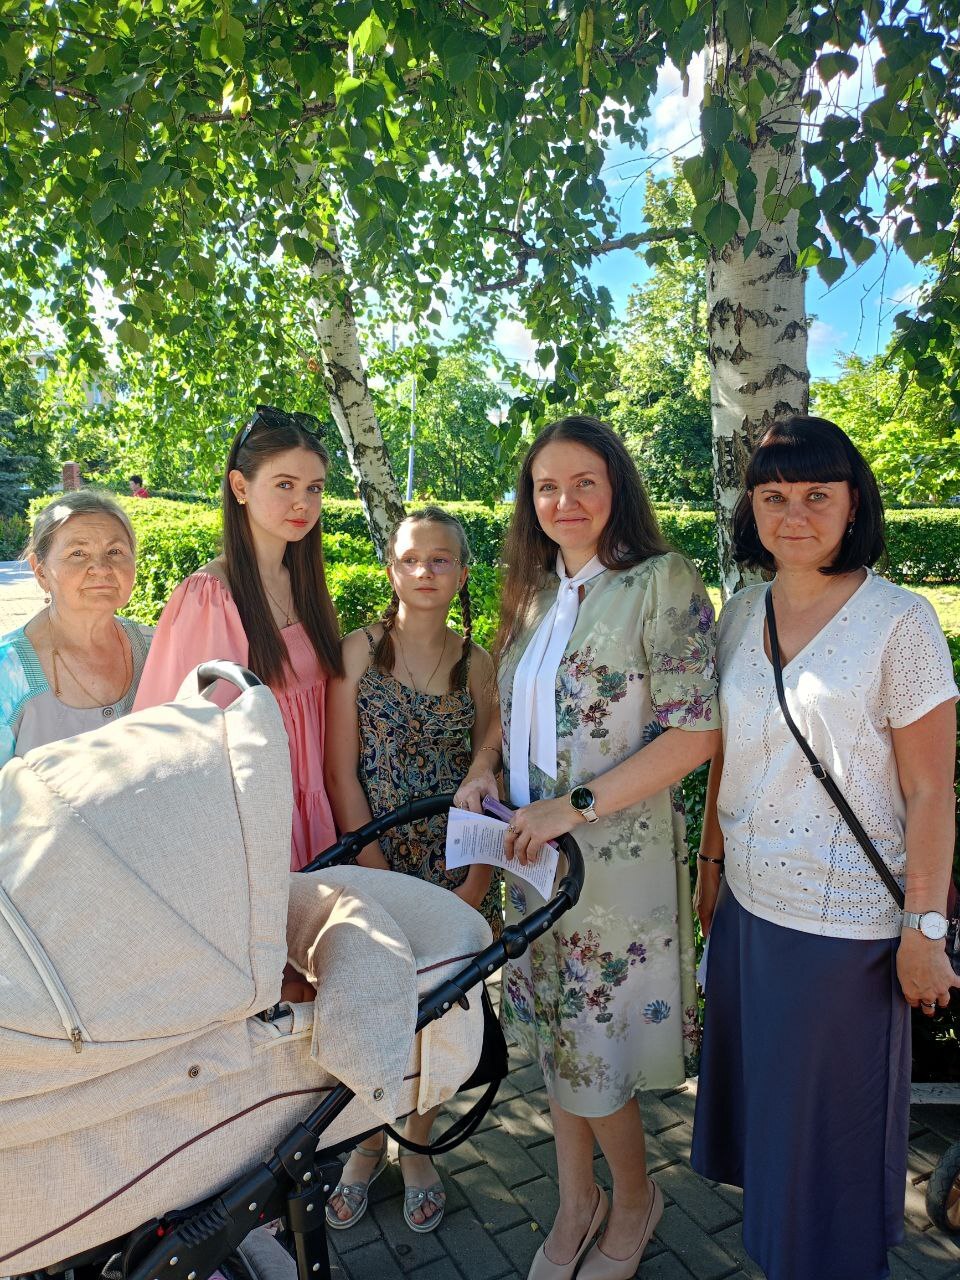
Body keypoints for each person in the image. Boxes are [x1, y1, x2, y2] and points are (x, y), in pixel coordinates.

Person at [690, 416, 960, 1280]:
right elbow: (727, 750)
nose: (794, 514)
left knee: (829, 1145)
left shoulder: (900, 622)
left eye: (816, 494)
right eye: (773, 496)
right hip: (750, 910)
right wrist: (709, 866)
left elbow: (931, 792)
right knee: (775, 1125)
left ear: (853, 504)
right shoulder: (741, 612)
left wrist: (924, 928)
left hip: (846, 930)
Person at [496, 416, 720, 1280]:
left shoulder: (660, 582)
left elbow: (696, 732)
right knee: (558, 1045)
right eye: (547, 486)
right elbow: (511, 713)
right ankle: (574, 1200)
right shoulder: (535, 594)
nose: (565, 501)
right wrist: (483, 772)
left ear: (617, 487)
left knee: (595, 1049)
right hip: (531, 862)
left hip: (612, 870)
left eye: (584, 481)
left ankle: (633, 1201)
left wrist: (574, 806)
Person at [323, 505, 503, 1235]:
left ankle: (418, 1144)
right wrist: (375, 869)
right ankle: (368, 1143)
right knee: (370, 1008)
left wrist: (475, 882)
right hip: (374, 859)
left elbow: (489, 773)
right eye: (410, 559)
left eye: (441, 559)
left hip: (452, 866)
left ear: (461, 573)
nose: (424, 571)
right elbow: (340, 774)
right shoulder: (356, 652)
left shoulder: (478, 662)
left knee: (440, 1013)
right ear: (390, 568)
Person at [134, 405, 342, 873]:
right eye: (285, 485)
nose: (303, 504)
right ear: (240, 486)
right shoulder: (210, 596)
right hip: (255, 824)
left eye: (314, 488)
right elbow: (191, 741)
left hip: (317, 810)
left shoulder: (305, 586)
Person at [0, 490, 151, 765]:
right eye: (78, 553)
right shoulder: (8, 672)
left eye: (115, 551)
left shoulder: (157, 649)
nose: (101, 568)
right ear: (40, 571)